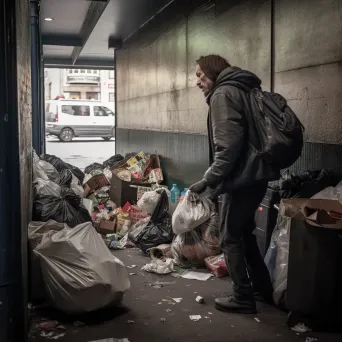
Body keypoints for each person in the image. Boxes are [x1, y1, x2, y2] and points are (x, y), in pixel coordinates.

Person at [189, 55, 277, 314]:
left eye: (200, 75)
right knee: (244, 234)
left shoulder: (223, 94)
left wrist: (208, 180)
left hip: (242, 178)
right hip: (256, 175)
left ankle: (243, 297)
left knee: (230, 237)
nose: (197, 81)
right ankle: (262, 290)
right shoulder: (243, 88)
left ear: (213, 73)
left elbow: (228, 148)